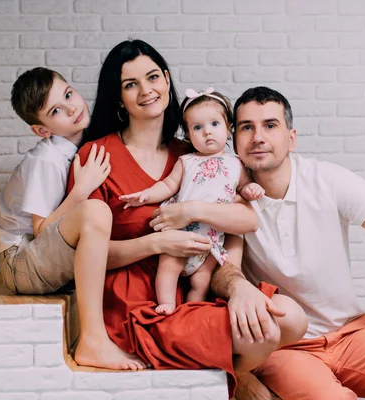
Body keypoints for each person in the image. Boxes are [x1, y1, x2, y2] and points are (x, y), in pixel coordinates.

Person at [67, 40, 307, 399]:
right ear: (118, 98)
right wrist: (155, 243)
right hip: (132, 307)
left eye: (152, 77)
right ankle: (232, 380)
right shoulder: (97, 155)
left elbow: (244, 219)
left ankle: (224, 375)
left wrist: (192, 213)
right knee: (268, 330)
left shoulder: (192, 154)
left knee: (290, 317)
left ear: (166, 79)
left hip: (192, 295)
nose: (146, 90)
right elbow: (79, 254)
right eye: (131, 84)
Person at [211, 86, 365, 400]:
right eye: (246, 127)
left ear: (291, 138)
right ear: (234, 138)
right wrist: (237, 288)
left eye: (270, 125)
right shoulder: (224, 198)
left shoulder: (328, 180)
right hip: (286, 347)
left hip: (350, 335)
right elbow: (223, 271)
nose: (257, 137)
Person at [0, 67, 147, 371]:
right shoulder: (47, 160)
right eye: (56, 110)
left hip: (37, 259)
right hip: (19, 263)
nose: (72, 108)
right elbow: (40, 230)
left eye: (68, 94)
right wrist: (81, 190)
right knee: (95, 211)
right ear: (42, 129)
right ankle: (93, 341)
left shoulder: (79, 146)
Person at [119, 87, 265, 315]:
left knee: (201, 280)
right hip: (180, 232)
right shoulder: (186, 161)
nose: (207, 132)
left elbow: (243, 187)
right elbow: (168, 185)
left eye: (214, 124)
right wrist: (145, 195)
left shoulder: (236, 164)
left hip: (209, 241)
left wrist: (251, 188)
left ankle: (191, 311)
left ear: (228, 130)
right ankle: (166, 302)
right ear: (188, 135)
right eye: (198, 127)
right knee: (168, 268)